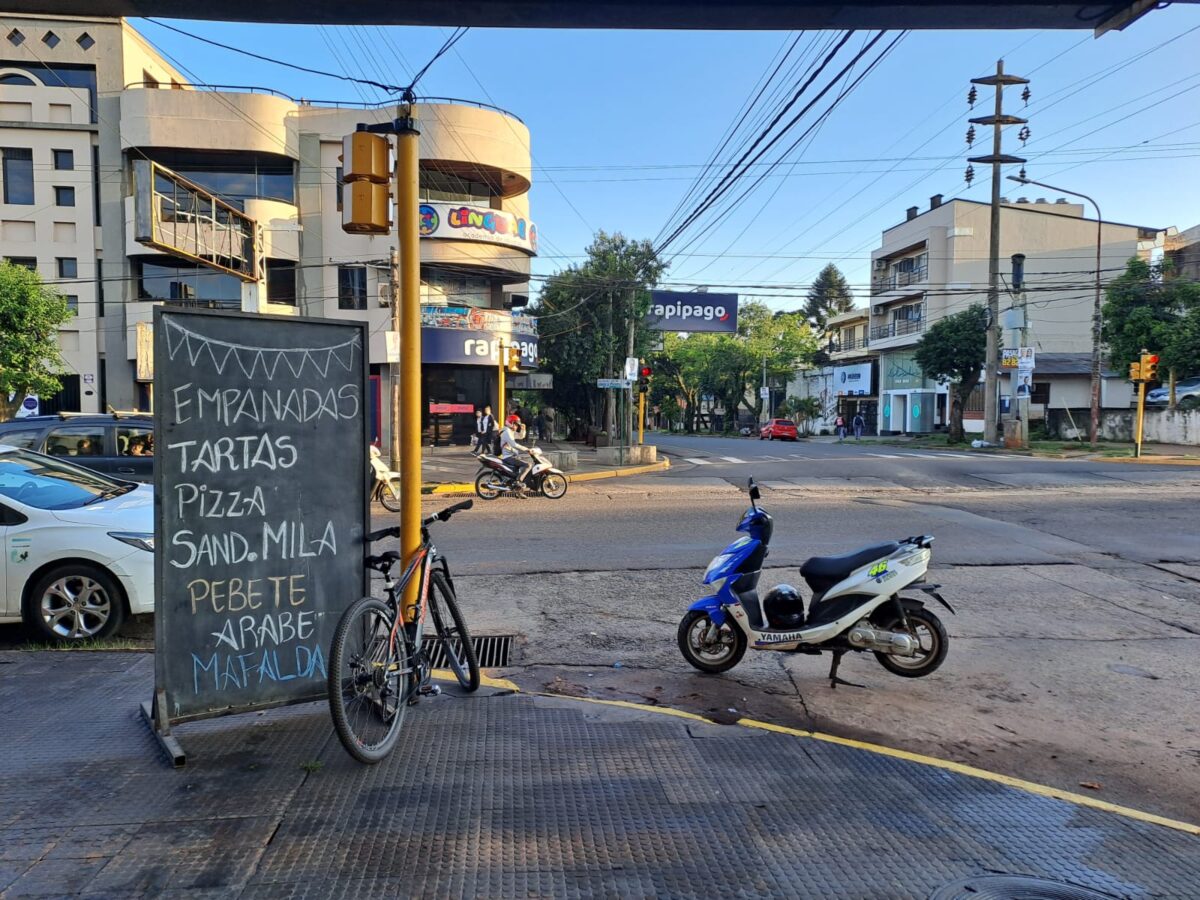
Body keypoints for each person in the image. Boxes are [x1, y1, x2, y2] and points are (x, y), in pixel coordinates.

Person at [499, 413, 532, 496]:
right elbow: (514, 445)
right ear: (511, 423)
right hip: (509, 457)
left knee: (519, 471)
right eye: (516, 425)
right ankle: (518, 482)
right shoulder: (506, 432)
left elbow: (520, 436)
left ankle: (518, 491)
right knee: (528, 465)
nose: (517, 427)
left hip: (512, 456)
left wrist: (523, 429)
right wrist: (527, 449)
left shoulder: (510, 431)